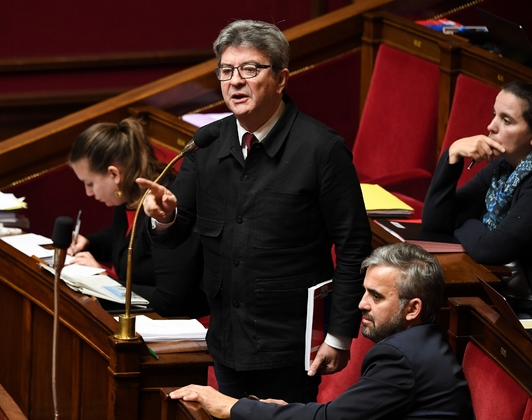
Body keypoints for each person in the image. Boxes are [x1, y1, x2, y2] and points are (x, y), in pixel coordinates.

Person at [135, 19, 372, 403]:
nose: (235, 81)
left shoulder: (321, 149)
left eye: (250, 69)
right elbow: (181, 231)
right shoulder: (207, 144)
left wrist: (338, 334)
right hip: (226, 334)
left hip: (289, 342)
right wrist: (164, 217)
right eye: (226, 71)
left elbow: (353, 246)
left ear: (281, 79)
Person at [169, 242, 473, 419]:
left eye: (376, 296)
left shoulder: (401, 359)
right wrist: (292, 411)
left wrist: (233, 407)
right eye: (364, 292)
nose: (361, 305)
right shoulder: (422, 344)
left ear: (413, 308)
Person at [423, 80, 532, 318]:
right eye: (494, 115)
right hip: (505, 294)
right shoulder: (503, 167)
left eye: (506, 120)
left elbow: (492, 249)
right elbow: (437, 222)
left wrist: (467, 224)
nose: (491, 126)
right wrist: (453, 155)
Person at [67, 117, 209, 318]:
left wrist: (104, 280)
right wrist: (88, 242)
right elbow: (122, 238)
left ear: (114, 174)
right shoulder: (129, 194)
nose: (88, 193)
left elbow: (172, 302)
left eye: (89, 183)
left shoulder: (164, 208)